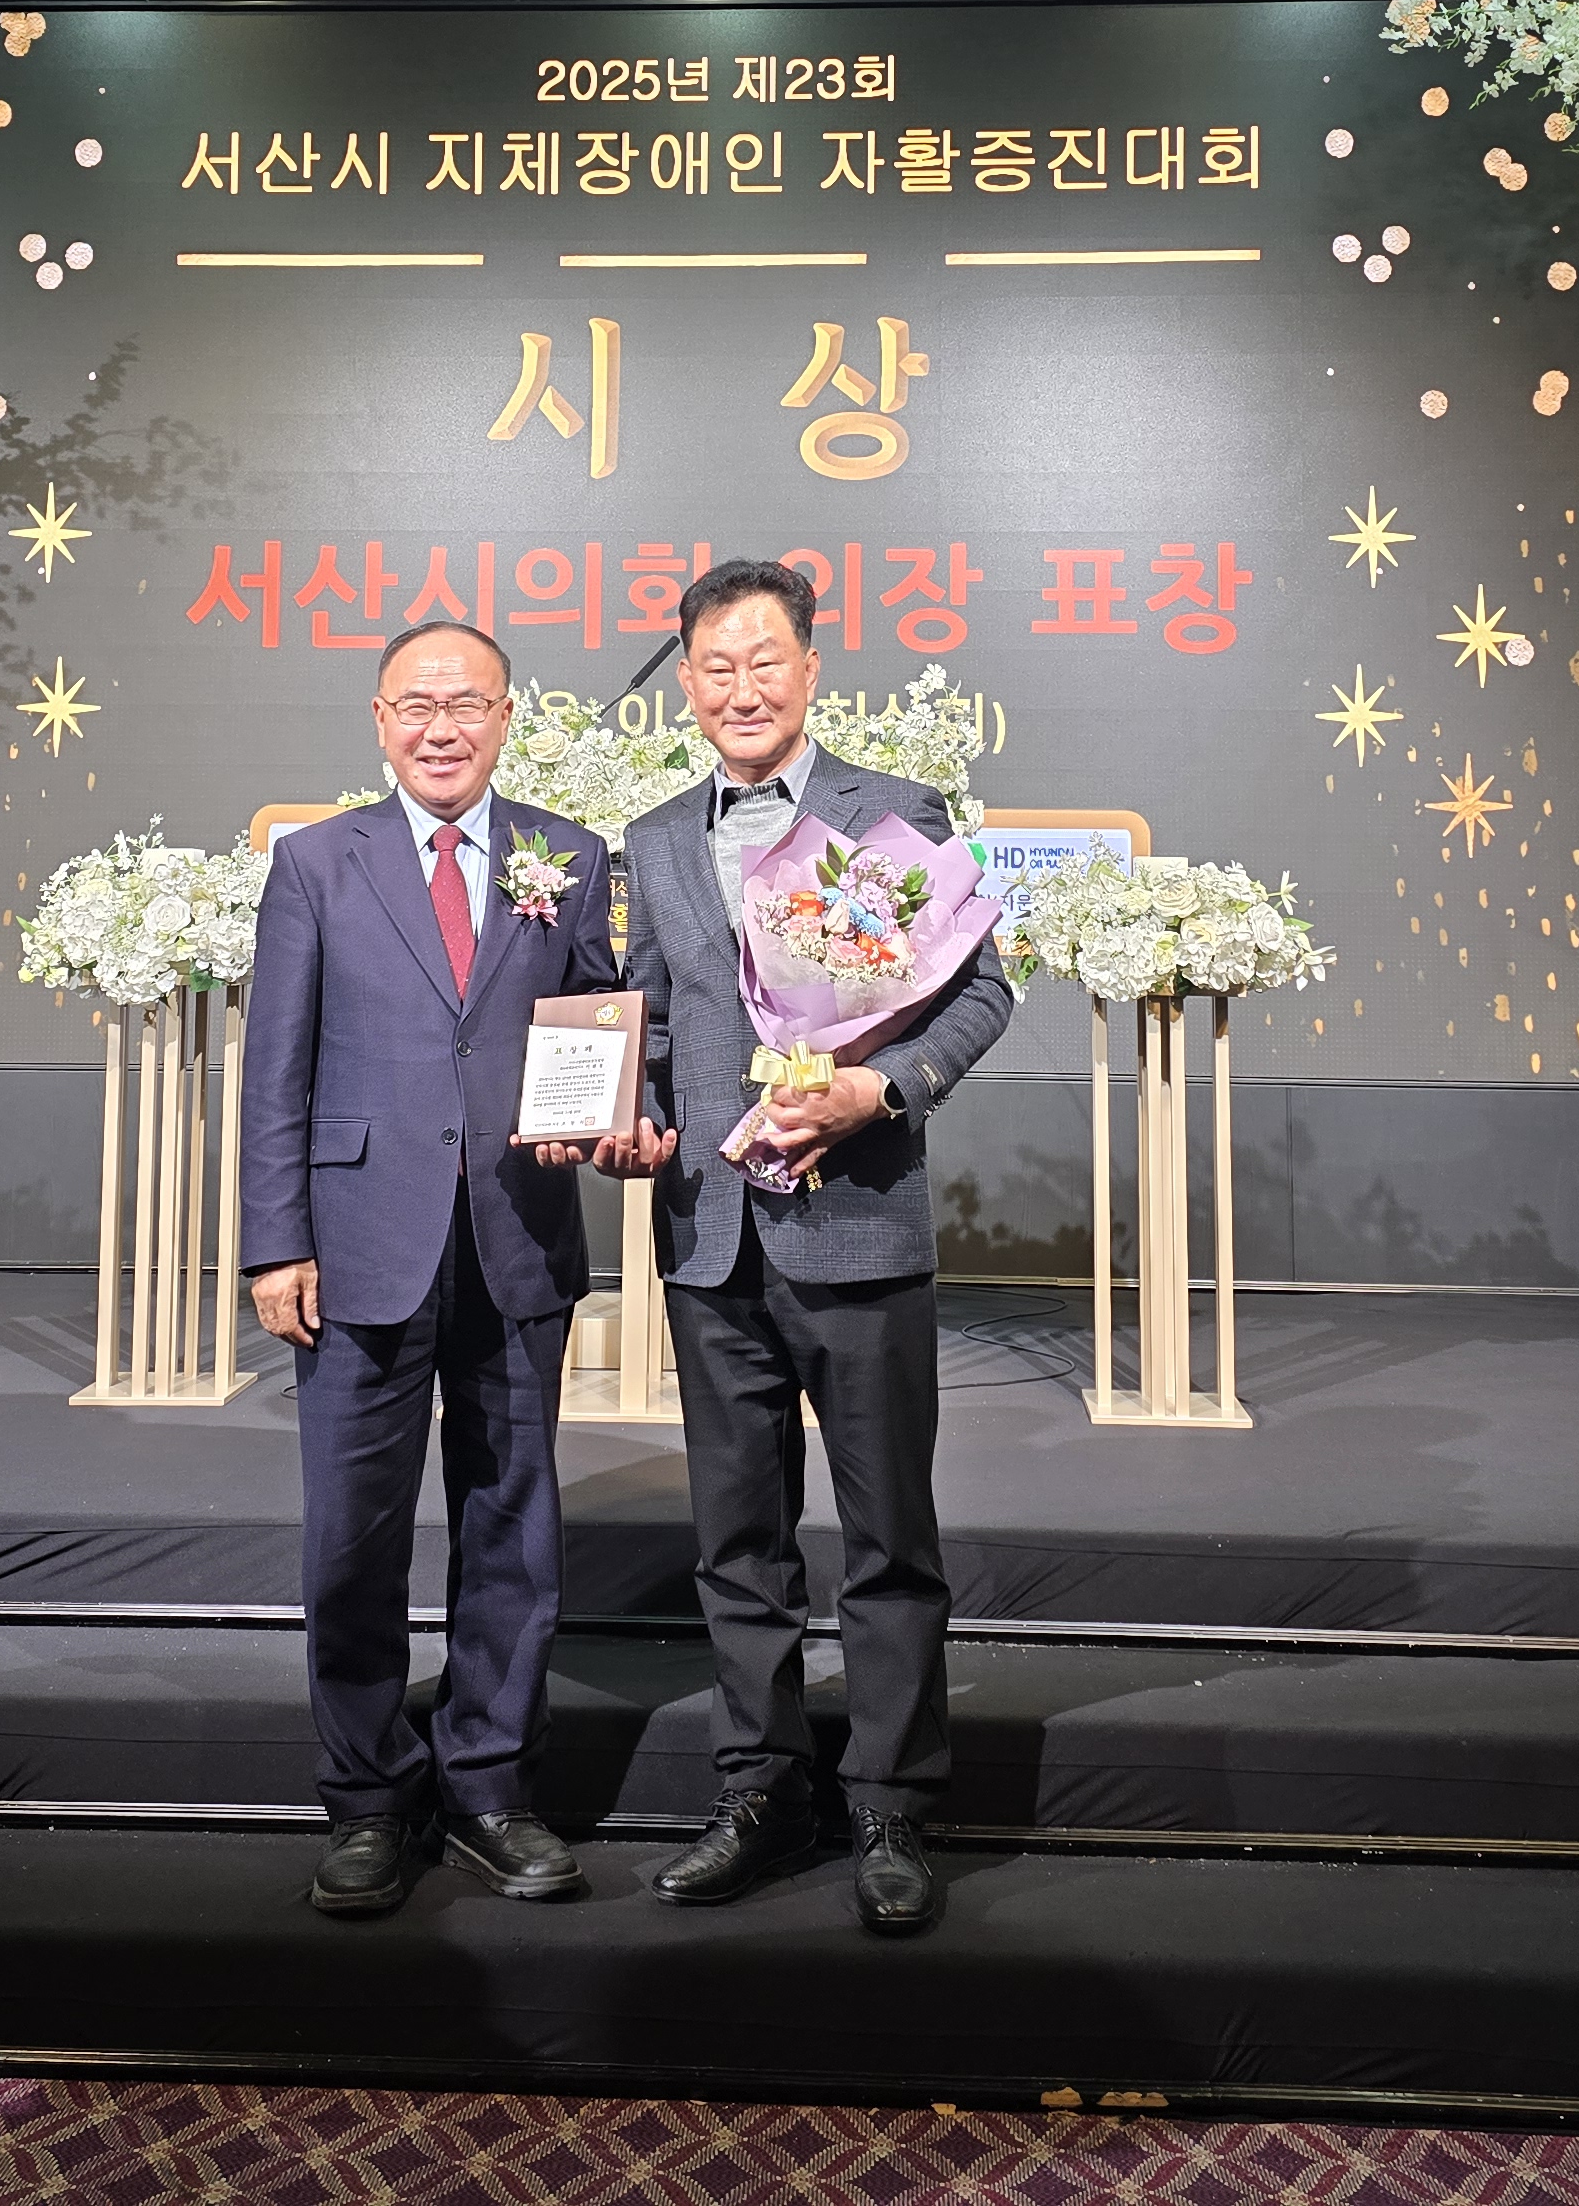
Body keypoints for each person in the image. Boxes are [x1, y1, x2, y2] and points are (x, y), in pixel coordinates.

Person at [568, 558, 1012, 1936]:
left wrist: (884, 1089)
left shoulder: (893, 810)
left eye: (766, 662)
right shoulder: (652, 837)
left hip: (859, 1230)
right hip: (710, 1240)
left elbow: (979, 992)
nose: (742, 688)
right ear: (688, 686)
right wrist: (631, 1119)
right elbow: (647, 1018)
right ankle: (758, 1792)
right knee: (736, 1543)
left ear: (811, 670)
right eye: (717, 667)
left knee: (888, 1540)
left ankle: (889, 1805)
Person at [237, 620, 624, 1917]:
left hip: (518, 1236)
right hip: (355, 1245)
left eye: (467, 703)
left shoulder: (567, 857)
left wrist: (616, 1107)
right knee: (352, 1538)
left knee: (514, 1529)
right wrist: (275, 1239)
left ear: (508, 716)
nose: (441, 727)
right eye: (417, 704)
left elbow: (599, 1021)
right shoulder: (315, 862)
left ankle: (491, 1788)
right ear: (379, 718)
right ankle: (363, 1797)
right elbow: (275, 1069)